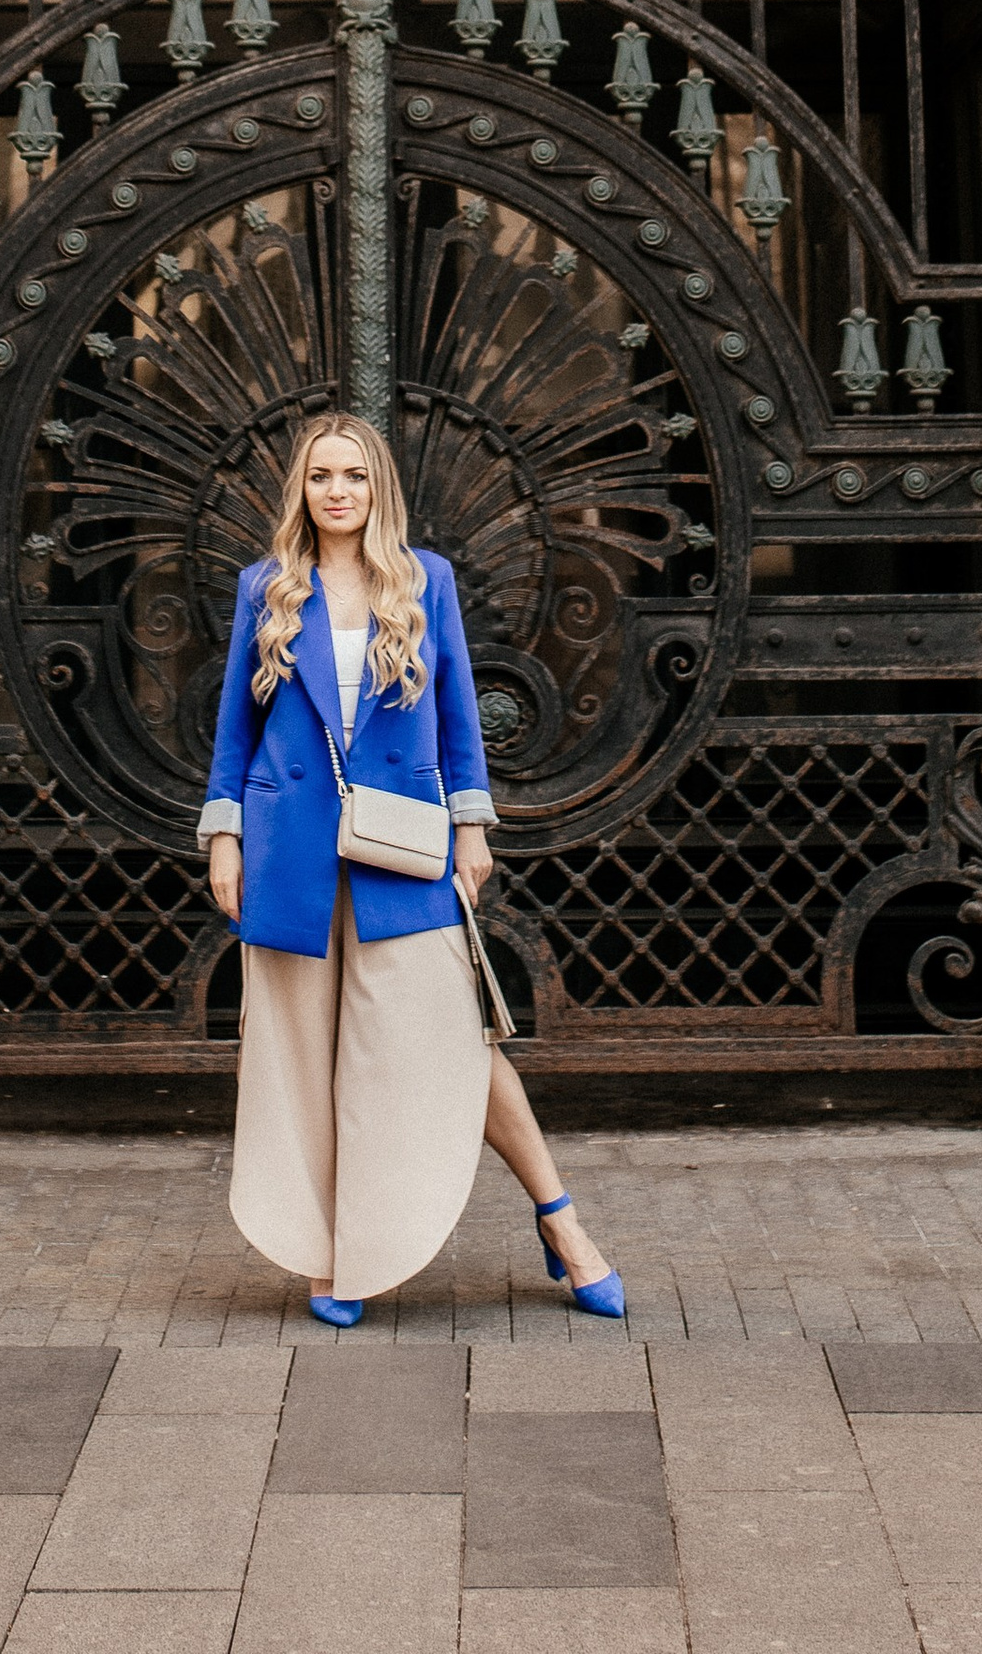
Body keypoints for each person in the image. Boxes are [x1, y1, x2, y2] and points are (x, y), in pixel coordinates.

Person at [198, 409, 624, 1327]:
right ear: (301, 490)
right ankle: (333, 1253)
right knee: (305, 1058)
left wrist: (473, 827)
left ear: (377, 487)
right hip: (292, 846)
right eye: (321, 477)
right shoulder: (265, 587)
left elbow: (462, 715)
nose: (338, 491)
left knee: (457, 1042)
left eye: (353, 475)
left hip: (406, 843)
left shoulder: (424, 580)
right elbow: (234, 726)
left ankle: (563, 1224)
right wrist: (223, 836)